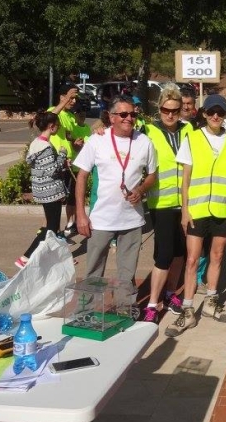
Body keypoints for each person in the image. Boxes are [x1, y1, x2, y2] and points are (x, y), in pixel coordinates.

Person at [165, 94, 226, 337]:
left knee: (218, 256)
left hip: (223, 208)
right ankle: (188, 310)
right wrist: (185, 209)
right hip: (197, 209)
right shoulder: (192, 138)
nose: (215, 116)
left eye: (220, 112)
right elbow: (185, 179)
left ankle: (211, 301)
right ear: (204, 113)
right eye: (211, 112)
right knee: (192, 260)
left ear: (225, 115)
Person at [73, 96, 158, 306]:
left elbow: (152, 175)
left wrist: (141, 189)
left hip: (132, 220)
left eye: (133, 114)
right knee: (94, 271)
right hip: (101, 219)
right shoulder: (97, 140)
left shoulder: (144, 142)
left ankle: (124, 310)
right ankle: (87, 311)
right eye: (123, 114)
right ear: (112, 117)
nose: (129, 118)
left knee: (127, 273)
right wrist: (81, 214)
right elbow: (81, 177)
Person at [140, 88, 193, 323]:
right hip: (161, 202)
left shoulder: (189, 129)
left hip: (186, 202)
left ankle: (171, 294)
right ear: (159, 109)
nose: (170, 115)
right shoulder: (148, 131)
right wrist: (100, 129)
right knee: (164, 254)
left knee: (180, 252)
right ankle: (153, 303)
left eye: (175, 110)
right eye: (165, 110)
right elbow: (121, 135)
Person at [15, 111, 69, 268]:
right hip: (50, 191)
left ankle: (55, 258)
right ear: (51, 126)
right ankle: (26, 257)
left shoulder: (36, 143)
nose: (59, 128)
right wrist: (62, 155)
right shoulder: (45, 147)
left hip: (44, 190)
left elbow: (43, 167)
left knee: (53, 228)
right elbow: (52, 170)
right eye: (58, 125)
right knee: (51, 228)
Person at [49, 84, 83, 238]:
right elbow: (49, 118)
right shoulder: (53, 110)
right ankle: (50, 234)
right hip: (57, 164)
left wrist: (76, 144)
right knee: (55, 202)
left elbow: (69, 138)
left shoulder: (70, 116)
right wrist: (66, 99)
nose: (73, 101)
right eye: (71, 98)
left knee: (71, 197)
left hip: (70, 163)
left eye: (75, 98)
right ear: (62, 97)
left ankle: (69, 226)